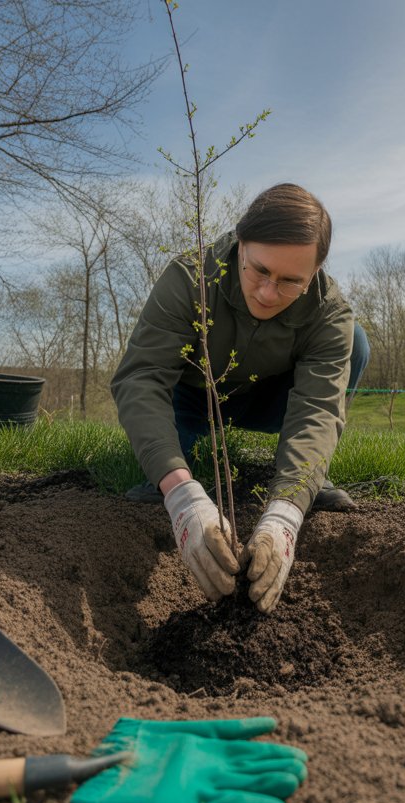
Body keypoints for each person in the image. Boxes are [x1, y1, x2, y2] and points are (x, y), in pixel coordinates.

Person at [111, 183, 369, 613]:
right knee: (176, 469)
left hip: (273, 403)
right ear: (240, 245)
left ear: (317, 270)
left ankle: (305, 479)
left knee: (356, 343)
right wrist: (179, 491)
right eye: (259, 270)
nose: (269, 293)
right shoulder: (190, 277)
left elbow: (317, 407)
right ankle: (175, 468)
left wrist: (287, 512)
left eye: (291, 282)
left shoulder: (329, 311)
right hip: (192, 402)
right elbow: (142, 378)